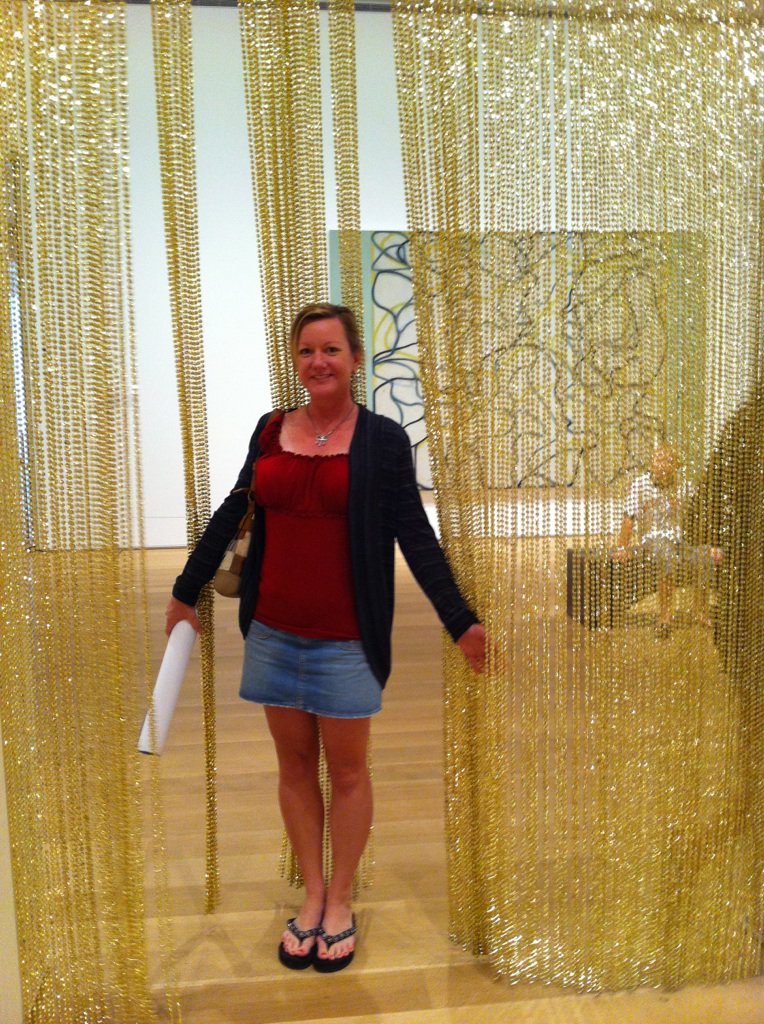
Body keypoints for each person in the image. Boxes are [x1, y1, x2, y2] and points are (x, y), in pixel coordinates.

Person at [165, 302, 486, 973]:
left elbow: (415, 536)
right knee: (292, 766)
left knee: (346, 771)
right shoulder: (270, 430)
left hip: (346, 639)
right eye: (307, 350)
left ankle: (341, 900)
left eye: (332, 350)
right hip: (273, 632)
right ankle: (311, 895)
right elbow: (233, 510)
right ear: (295, 358)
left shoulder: (383, 441)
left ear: (355, 359)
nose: (319, 362)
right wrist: (185, 589)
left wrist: (459, 620)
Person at [613, 441, 721, 634]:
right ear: (651, 464)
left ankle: (700, 611)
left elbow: (696, 517)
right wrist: (622, 547)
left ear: (676, 465)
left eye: (669, 461)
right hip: (652, 539)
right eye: (659, 460)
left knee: (705, 557)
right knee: (666, 554)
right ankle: (665, 616)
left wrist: (706, 545)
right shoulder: (640, 485)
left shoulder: (683, 486)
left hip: (678, 541)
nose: (663, 465)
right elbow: (629, 518)